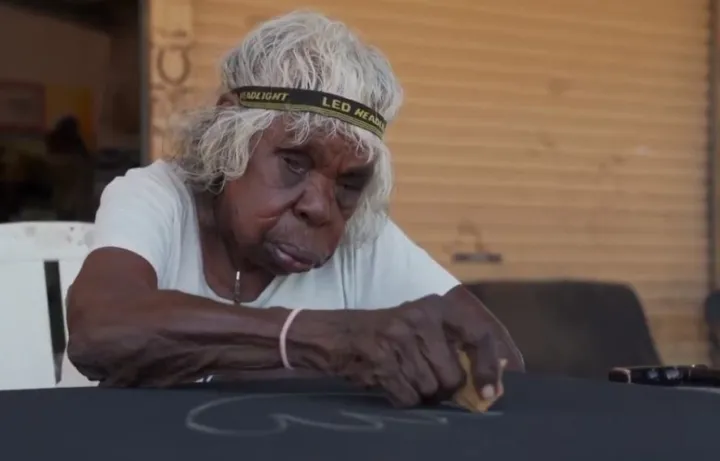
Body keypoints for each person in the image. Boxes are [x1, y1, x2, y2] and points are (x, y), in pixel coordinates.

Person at [66, 11, 523, 407]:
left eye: (348, 183)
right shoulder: (157, 197)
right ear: (228, 131)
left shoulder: (362, 235)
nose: (321, 207)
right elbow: (101, 330)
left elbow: (498, 358)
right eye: (293, 163)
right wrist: (328, 341)